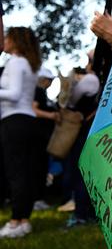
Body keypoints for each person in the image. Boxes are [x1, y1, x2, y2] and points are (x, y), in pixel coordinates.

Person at [0, 27, 41, 238]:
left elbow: (14, 94)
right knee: (24, 172)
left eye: (7, 36)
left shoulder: (16, 62)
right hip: (26, 121)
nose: (4, 40)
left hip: (14, 121)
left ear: (15, 41)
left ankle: (16, 221)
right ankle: (24, 220)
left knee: (16, 172)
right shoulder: (28, 63)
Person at [63, 50, 100, 227]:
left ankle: (81, 214)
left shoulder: (90, 79)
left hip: (83, 130)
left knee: (81, 172)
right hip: (92, 129)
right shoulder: (101, 78)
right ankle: (90, 213)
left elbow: (71, 101)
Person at [31, 67, 58, 211]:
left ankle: (40, 197)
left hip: (44, 137)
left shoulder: (44, 94)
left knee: (42, 167)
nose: (51, 83)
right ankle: (36, 198)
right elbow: (33, 110)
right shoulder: (38, 91)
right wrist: (51, 116)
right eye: (50, 80)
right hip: (37, 136)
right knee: (38, 167)